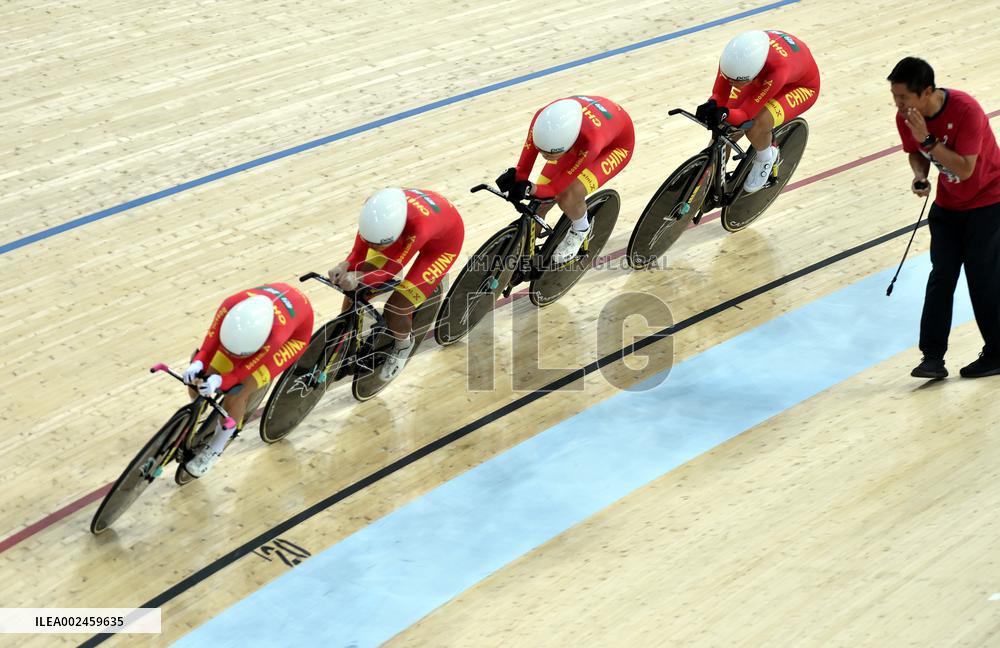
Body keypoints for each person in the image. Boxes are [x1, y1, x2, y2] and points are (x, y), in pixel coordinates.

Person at [889, 56, 1000, 379]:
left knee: (983, 280)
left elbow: (965, 169)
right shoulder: (908, 117)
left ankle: (996, 353)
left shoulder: (966, 111)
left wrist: (928, 140)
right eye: (895, 98)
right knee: (941, 278)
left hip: (988, 202)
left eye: (903, 98)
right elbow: (915, 151)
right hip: (948, 207)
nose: (898, 105)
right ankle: (932, 358)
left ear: (926, 92)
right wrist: (920, 175)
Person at [328, 187, 464, 380]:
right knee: (356, 289)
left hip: (443, 245)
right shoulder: (374, 215)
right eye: (372, 242)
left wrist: (359, 278)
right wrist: (344, 265)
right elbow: (359, 252)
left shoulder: (418, 228)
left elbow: (389, 270)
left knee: (397, 308)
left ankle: (403, 346)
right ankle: (344, 337)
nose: (375, 248)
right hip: (406, 230)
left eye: (379, 244)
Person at [183, 284, 314, 476]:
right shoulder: (229, 306)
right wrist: (197, 365)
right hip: (251, 326)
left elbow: (238, 376)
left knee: (238, 393)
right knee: (203, 372)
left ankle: (215, 449)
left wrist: (219, 382)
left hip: (292, 338)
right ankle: (198, 409)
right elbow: (207, 347)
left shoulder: (275, 338)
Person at [496, 95, 635, 264]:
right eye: (541, 151)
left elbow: (556, 189)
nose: (545, 157)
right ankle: (524, 257)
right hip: (584, 132)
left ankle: (581, 229)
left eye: (550, 154)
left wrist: (529, 188)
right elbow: (524, 168)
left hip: (615, 145)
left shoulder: (591, 142)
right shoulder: (542, 121)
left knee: (569, 195)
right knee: (539, 203)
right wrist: (517, 178)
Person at [695, 30, 820, 193]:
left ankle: (766, 157)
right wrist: (712, 104)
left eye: (737, 81)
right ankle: (706, 174)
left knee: (757, 125)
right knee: (725, 128)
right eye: (730, 79)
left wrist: (724, 113)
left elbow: (746, 114)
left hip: (800, 86)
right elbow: (720, 94)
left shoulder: (778, 70)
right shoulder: (732, 58)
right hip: (763, 76)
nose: (732, 83)